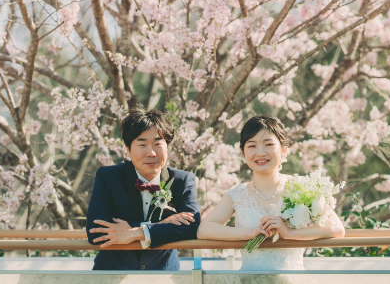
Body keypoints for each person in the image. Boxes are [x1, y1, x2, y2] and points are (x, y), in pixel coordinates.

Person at [197, 115, 345, 270]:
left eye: (268, 144)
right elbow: (204, 230)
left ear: (284, 150)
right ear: (243, 153)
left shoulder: (300, 187)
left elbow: (336, 228)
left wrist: (288, 233)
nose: (260, 153)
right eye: (252, 146)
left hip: (292, 282)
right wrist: (251, 232)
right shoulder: (236, 194)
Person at [86, 108, 201, 270]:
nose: (151, 152)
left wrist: (136, 232)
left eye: (158, 144)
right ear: (128, 149)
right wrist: (162, 225)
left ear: (167, 146)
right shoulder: (109, 176)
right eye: (142, 144)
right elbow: (95, 231)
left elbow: (192, 226)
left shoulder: (182, 181)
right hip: (111, 275)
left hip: (164, 277)